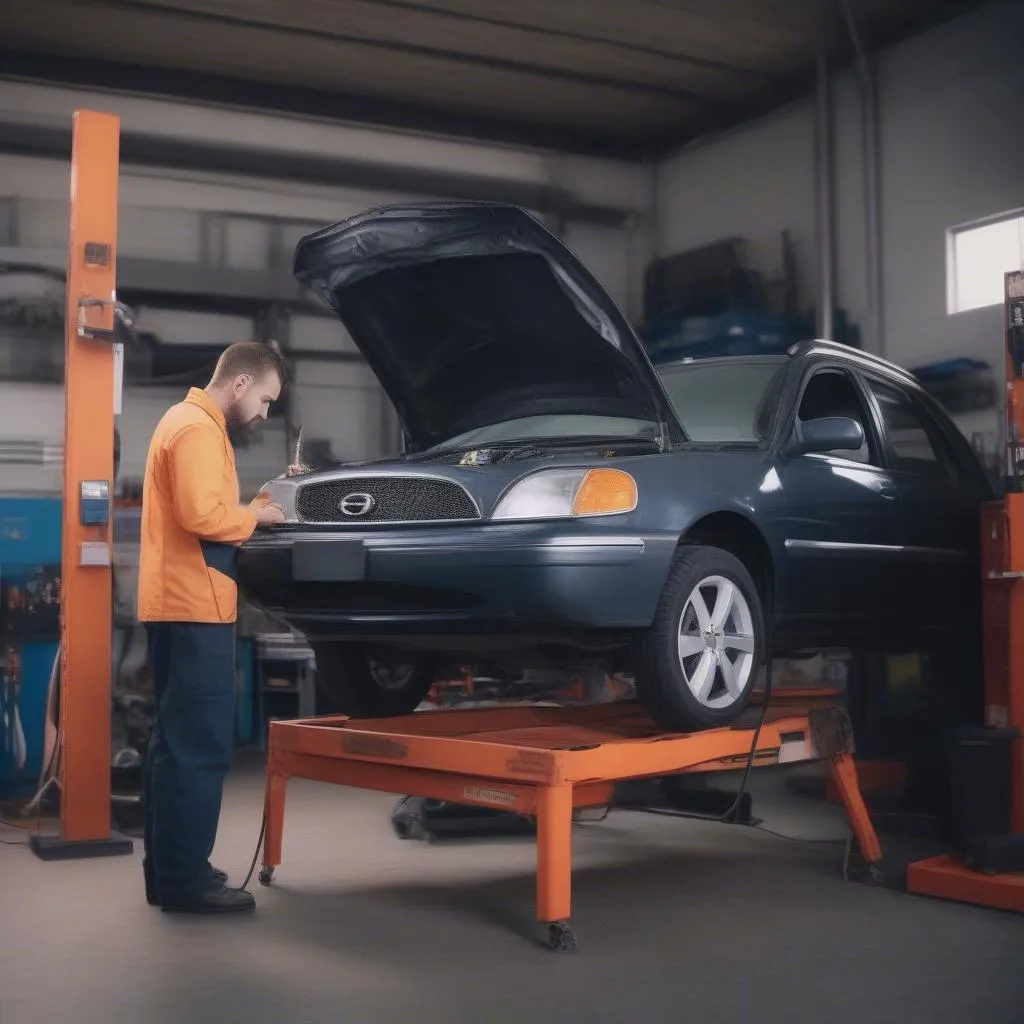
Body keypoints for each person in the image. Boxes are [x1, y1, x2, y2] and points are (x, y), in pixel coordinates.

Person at [138, 342, 286, 914]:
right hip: (194, 606)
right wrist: (261, 516)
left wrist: (248, 506)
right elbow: (203, 518)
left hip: (175, 601)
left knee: (173, 747)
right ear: (242, 381)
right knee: (198, 748)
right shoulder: (199, 429)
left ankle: (171, 873)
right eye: (267, 400)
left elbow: (202, 511)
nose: (265, 413)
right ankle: (186, 882)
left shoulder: (183, 421)